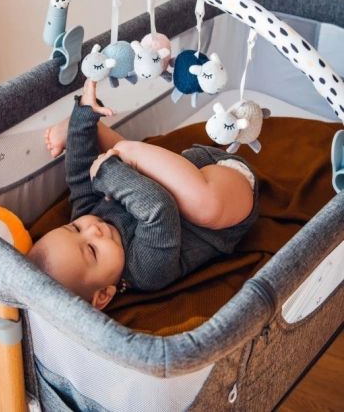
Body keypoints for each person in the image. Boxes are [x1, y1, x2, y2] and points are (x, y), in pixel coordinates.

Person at [28, 80, 258, 310]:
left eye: (75, 228)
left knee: (102, 165)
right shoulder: (145, 271)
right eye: (91, 249)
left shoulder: (87, 216)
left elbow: (80, 172)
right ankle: (123, 149)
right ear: (104, 295)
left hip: (181, 169)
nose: (92, 229)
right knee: (204, 207)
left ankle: (84, 126)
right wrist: (109, 172)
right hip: (226, 195)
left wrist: (82, 114)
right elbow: (159, 208)